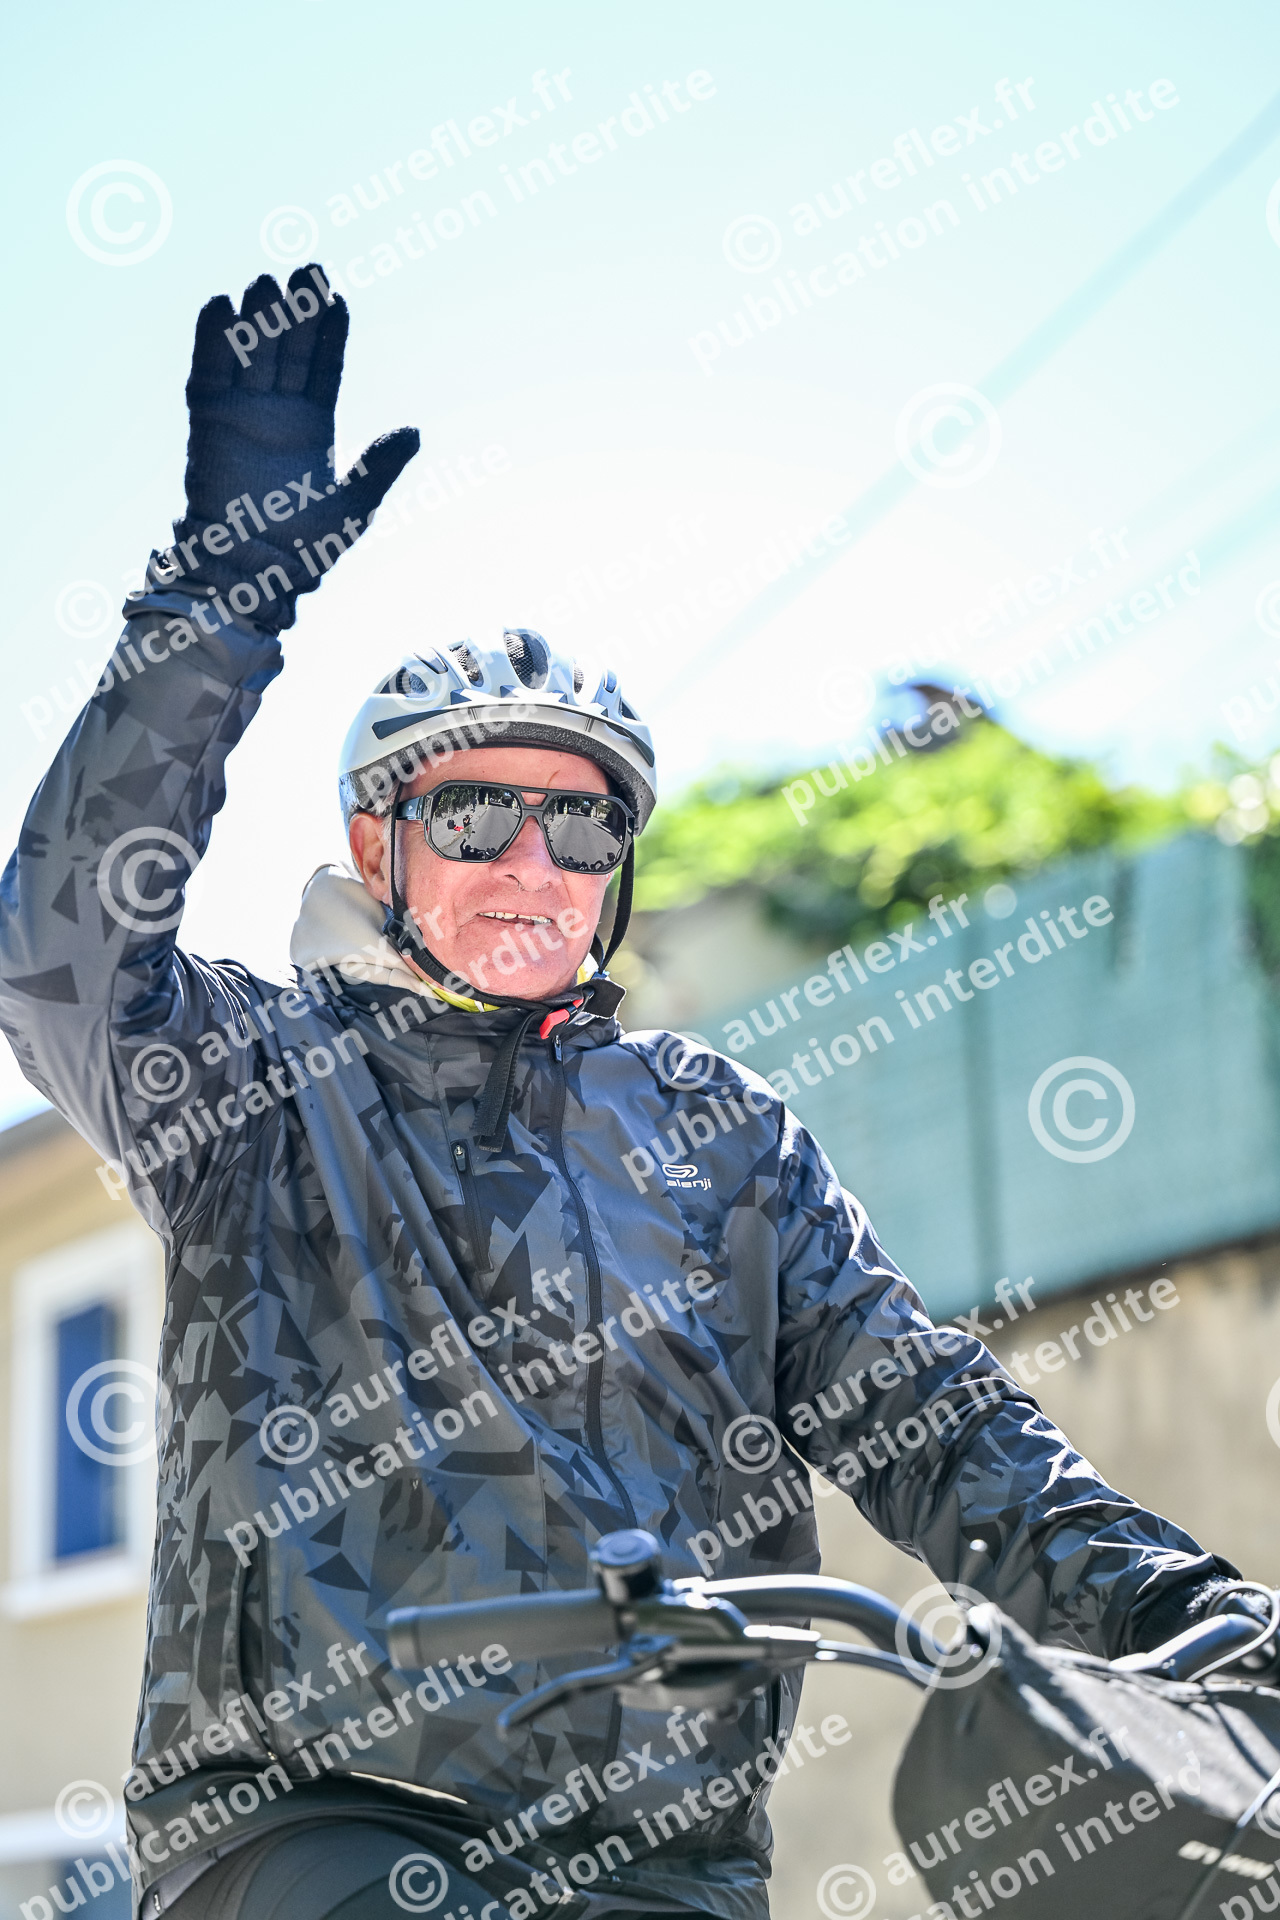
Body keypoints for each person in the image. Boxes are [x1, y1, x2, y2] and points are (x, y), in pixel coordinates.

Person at [0, 269, 1262, 1920]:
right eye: (477, 816)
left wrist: (1197, 1627)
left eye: (584, 825)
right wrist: (219, 602)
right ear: (379, 844)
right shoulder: (253, 1082)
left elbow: (938, 1422)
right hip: (320, 1829)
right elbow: (57, 951)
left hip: (671, 1864)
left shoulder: (722, 1136)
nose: (533, 864)